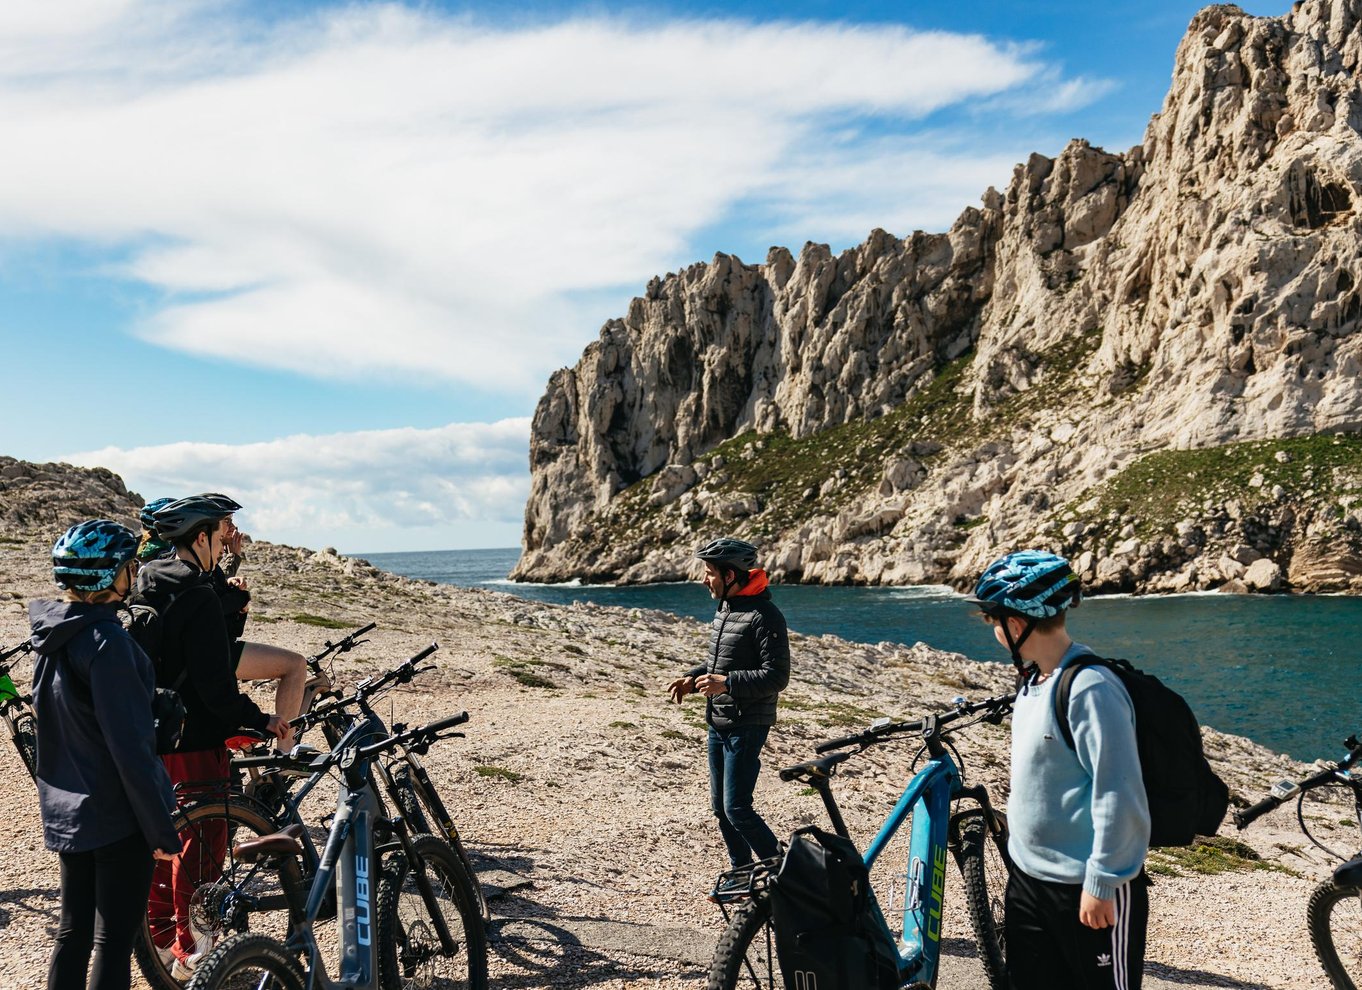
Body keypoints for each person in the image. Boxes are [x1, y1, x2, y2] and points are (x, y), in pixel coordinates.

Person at [967, 550, 1151, 990]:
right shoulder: (1033, 681)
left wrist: (1102, 882)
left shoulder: (1090, 689)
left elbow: (1119, 793)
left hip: (1085, 888)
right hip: (1029, 881)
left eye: (995, 621)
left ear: (1015, 625)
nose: (994, 630)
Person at [135, 494, 289, 980]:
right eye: (219, 536)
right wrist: (260, 719)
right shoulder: (198, 593)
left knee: (164, 841)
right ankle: (193, 951)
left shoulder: (148, 579)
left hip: (154, 730)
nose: (224, 542)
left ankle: (161, 940)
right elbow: (215, 682)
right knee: (200, 846)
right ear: (199, 538)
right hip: (196, 736)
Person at [29, 520, 179, 990]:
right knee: (112, 941)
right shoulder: (109, 645)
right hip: (116, 814)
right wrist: (160, 828)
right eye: (129, 565)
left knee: (71, 934)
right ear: (109, 575)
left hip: (69, 811)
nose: (134, 572)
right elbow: (130, 749)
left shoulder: (53, 639)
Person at [668, 537, 789, 896]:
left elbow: (776, 676)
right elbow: (723, 664)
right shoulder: (727, 608)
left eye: (709, 573)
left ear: (731, 574)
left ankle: (783, 871)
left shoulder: (765, 616)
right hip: (718, 722)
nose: (705, 580)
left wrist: (727, 683)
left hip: (747, 723)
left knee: (737, 807)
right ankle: (742, 874)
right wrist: (694, 677)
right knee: (720, 808)